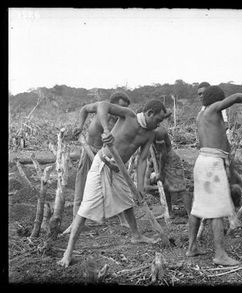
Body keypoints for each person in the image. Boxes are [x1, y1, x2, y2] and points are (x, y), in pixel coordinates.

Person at [58, 99, 170, 268]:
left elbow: (142, 160)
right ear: (149, 114)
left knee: (127, 200)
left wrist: (140, 187)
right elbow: (102, 105)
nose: (159, 124)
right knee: (85, 208)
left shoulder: (149, 134)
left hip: (119, 170)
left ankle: (136, 235)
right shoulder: (128, 116)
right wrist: (106, 130)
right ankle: (68, 252)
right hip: (102, 163)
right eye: (158, 120)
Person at [186, 85, 242, 266]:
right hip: (211, 164)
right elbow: (234, 98)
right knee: (216, 210)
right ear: (218, 100)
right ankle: (219, 254)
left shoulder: (202, 114)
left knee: (197, 207)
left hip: (204, 161)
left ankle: (192, 247)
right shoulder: (213, 109)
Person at [62, 91, 131, 234]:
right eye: (120, 107)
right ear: (112, 105)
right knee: (81, 185)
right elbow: (84, 109)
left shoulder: (122, 120)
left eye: (124, 108)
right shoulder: (100, 107)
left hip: (105, 155)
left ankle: (123, 220)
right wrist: (80, 126)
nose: (120, 111)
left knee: (114, 186)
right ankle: (75, 223)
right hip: (88, 151)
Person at [151, 125, 191, 217]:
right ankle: (169, 212)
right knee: (166, 188)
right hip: (161, 160)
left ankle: (191, 215)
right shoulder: (149, 131)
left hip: (170, 160)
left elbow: (163, 153)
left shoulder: (159, 131)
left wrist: (160, 172)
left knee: (181, 188)